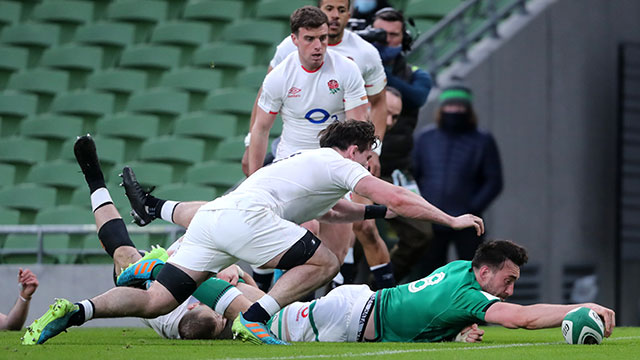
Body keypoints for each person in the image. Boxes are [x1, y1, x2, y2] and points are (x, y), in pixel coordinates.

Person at [22, 120, 483, 346]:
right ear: (356, 149)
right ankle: (255, 316)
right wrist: (452, 219)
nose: (369, 164)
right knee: (322, 261)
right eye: (368, 156)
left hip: (215, 218)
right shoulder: (337, 162)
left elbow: (346, 211)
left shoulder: (313, 166)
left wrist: (384, 212)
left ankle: (76, 310)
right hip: (246, 220)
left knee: (156, 300)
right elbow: (398, 197)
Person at [197, 240, 616, 343]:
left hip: (358, 308)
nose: (509, 290)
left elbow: (426, 310)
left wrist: (452, 332)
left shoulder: (458, 269)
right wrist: (579, 307)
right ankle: (169, 271)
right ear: (484, 272)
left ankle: (207, 278)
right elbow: (522, 319)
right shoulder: (469, 295)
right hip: (350, 319)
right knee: (243, 322)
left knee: (256, 311)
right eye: (507, 281)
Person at [246, 4, 394, 290]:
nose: (318, 46)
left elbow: (357, 129)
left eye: (323, 39)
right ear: (294, 40)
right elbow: (260, 128)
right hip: (292, 161)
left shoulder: (348, 68)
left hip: (334, 162)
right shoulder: (279, 75)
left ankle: (313, 306)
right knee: (307, 229)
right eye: (310, 39)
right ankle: (270, 299)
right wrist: (254, 177)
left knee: (335, 256)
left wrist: (356, 171)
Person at [354, 8, 434, 283]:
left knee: (420, 234)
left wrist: (382, 71)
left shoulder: (415, 75)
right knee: (352, 237)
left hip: (395, 169)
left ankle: (376, 289)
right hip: (357, 168)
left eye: (393, 35)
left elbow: (417, 96)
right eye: (380, 34)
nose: (386, 40)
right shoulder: (353, 68)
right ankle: (340, 299)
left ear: (405, 39)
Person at [413, 85, 503, 277]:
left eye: (459, 107)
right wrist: (424, 205)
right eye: (450, 106)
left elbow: (494, 181)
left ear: (468, 110)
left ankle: (470, 307)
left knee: (473, 272)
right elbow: (413, 174)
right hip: (432, 217)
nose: (454, 111)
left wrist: (471, 207)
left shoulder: (483, 140)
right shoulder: (425, 138)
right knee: (430, 274)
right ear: (441, 108)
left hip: (469, 221)